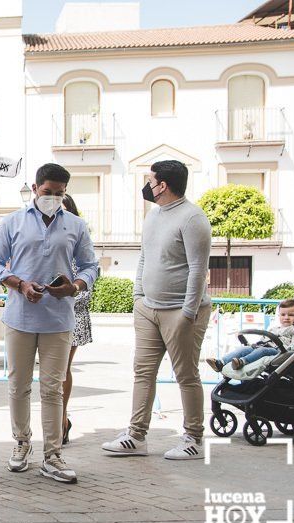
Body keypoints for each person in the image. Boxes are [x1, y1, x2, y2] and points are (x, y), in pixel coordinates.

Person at [0, 163, 98, 483]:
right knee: (18, 386)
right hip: (20, 317)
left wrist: (75, 286)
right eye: (48, 192)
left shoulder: (76, 225)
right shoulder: (12, 222)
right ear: (35, 189)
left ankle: (53, 454)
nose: (53, 198)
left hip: (59, 318)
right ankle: (22, 443)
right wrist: (18, 283)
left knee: (53, 389)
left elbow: (90, 267)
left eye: (60, 194)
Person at [101, 160, 212, 460]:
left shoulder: (193, 219)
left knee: (186, 375)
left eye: (150, 180)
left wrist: (188, 314)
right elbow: (144, 257)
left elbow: (198, 271)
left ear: (162, 185)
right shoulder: (153, 216)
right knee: (143, 373)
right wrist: (139, 296)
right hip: (148, 308)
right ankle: (136, 436)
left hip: (182, 312)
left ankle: (193, 439)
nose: (147, 185)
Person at [59, 194, 93, 445]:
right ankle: (58, 420)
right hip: (45, 312)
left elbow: (89, 274)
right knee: (53, 371)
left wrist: (71, 291)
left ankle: (61, 418)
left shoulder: (78, 237)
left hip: (72, 314)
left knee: (61, 369)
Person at [206, 299, 294, 371]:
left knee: (262, 350)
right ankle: (220, 363)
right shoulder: (275, 328)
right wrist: (253, 344)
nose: (286, 318)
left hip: (279, 351)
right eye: (283, 315)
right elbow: (264, 338)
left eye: (291, 315)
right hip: (263, 345)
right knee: (244, 349)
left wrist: (287, 350)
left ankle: (242, 362)